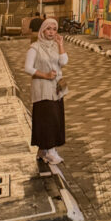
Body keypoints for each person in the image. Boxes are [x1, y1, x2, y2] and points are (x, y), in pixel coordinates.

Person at [24, 18, 68, 164]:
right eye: (48, 29)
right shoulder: (34, 47)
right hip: (42, 90)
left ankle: (43, 150)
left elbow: (64, 62)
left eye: (54, 29)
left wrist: (61, 45)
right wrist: (46, 75)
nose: (51, 32)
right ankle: (50, 151)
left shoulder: (55, 46)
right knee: (47, 121)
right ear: (42, 30)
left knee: (55, 119)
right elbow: (28, 68)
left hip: (56, 90)